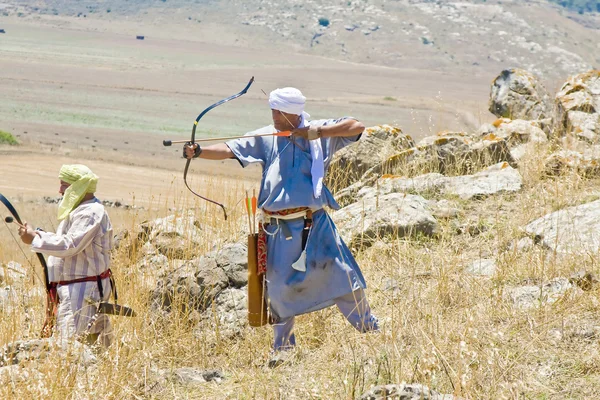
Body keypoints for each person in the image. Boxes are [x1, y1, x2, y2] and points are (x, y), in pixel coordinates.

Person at [184, 87, 379, 360]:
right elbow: (229, 149)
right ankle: (283, 350)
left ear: (291, 112)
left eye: (278, 111)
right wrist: (199, 151)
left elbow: (356, 126)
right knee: (277, 289)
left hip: (315, 223)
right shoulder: (267, 136)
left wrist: (316, 133)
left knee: (344, 277)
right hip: (278, 227)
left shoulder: (318, 131)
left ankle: (372, 331)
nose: (273, 115)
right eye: (272, 110)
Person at [18, 164, 115, 347]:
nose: (60, 190)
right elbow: (65, 241)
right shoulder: (79, 210)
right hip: (75, 289)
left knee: (70, 347)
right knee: (85, 345)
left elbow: (70, 245)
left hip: (83, 291)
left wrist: (34, 239)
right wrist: (37, 236)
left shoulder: (91, 212)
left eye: (64, 185)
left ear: (78, 186)